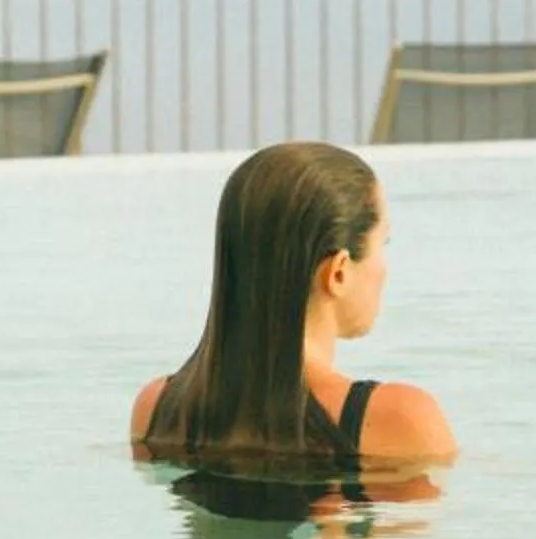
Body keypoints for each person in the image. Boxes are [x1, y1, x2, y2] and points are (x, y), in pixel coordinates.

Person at [129, 140, 456, 469]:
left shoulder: (155, 411)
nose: (385, 267)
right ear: (338, 272)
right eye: (383, 244)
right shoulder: (400, 419)